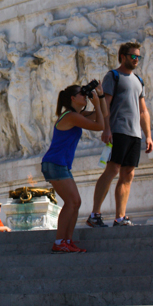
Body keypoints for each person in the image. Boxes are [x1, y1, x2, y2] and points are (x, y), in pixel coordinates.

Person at [87, 42, 153, 228]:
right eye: (133, 56)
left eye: (138, 56)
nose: (136, 59)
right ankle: (95, 214)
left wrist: (148, 135)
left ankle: (120, 217)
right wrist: (106, 128)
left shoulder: (138, 80)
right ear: (122, 56)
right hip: (118, 130)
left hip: (134, 134)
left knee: (128, 174)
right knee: (112, 169)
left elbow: (143, 111)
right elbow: (105, 104)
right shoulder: (113, 76)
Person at [41, 83, 106, 253]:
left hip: (60, 164)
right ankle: (59, 241)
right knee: (72, 202)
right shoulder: (71, 116)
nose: (85, 96)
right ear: (72, 98)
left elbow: (104, 115)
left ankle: (67, 241)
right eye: (82, 94)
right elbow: (100, 126)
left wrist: (100, 97)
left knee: (75, 202)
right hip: (55, 163)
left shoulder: (77, 115)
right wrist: (96, 103)